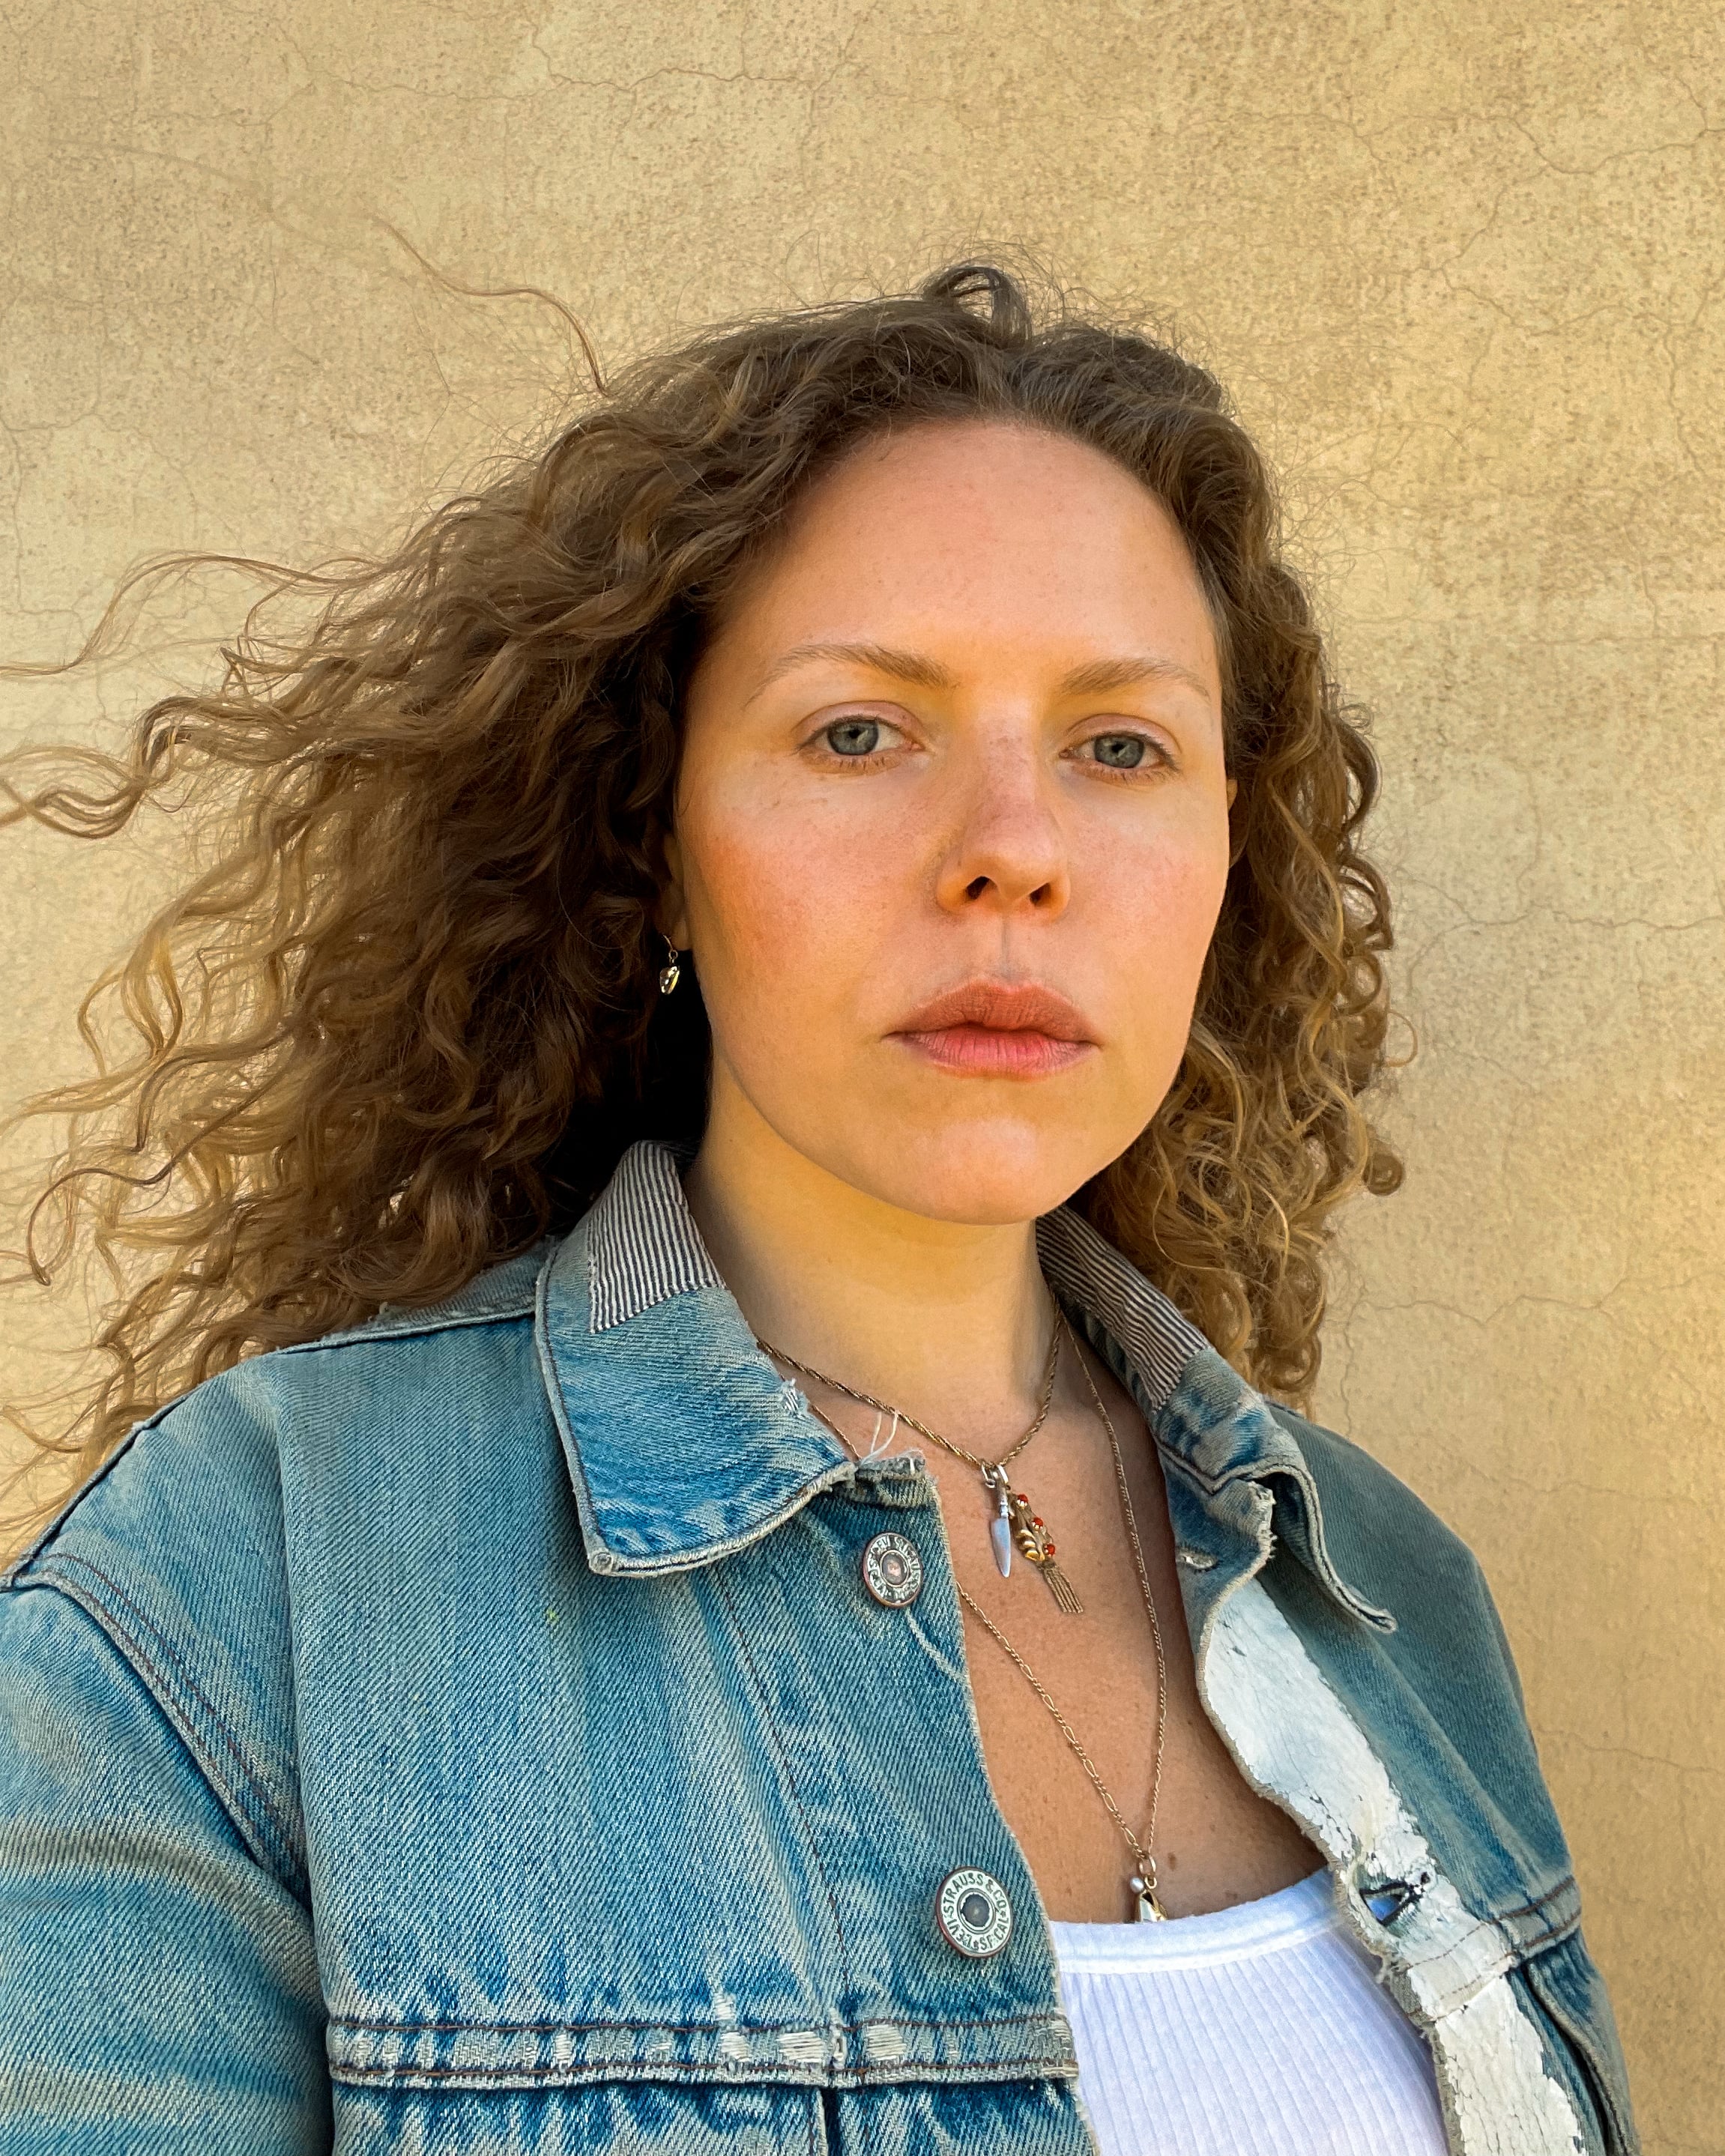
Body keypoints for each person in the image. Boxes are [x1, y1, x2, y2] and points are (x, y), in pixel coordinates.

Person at [0, 264, 1636, 2155]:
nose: (1012, 847)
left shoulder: (1389, 1596)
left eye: (1119, 745)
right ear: (655, 846)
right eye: (860, 730)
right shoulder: (243, 1584)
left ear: (1224, 853)